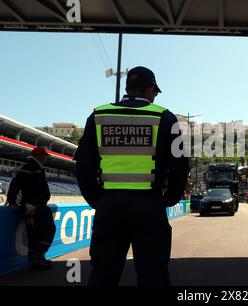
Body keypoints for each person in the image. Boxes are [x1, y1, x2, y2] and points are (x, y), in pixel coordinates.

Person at [75, 66, 189, 287]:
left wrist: (97, 200)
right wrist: (169, 199)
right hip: (149, 205)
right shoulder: (165, 117)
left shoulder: (99, 115)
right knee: (153, 276)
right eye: (155, 92)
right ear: (150, 89)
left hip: (109, 205)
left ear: (128, 88)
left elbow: (83, 165)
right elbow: (179, 165)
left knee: (103, 275)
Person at [7, 147, 55, 269]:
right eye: (44, 156)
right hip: (35, 207)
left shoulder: (33, 167)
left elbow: (15, 183)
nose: (45, 158)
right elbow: (15, 184)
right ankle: (38, 256)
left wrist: (12, 201)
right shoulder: (32, 168)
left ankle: (35, 259)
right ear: (39, 156)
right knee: (47, 230)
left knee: (34, 233)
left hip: (31, 207)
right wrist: (12, 201)